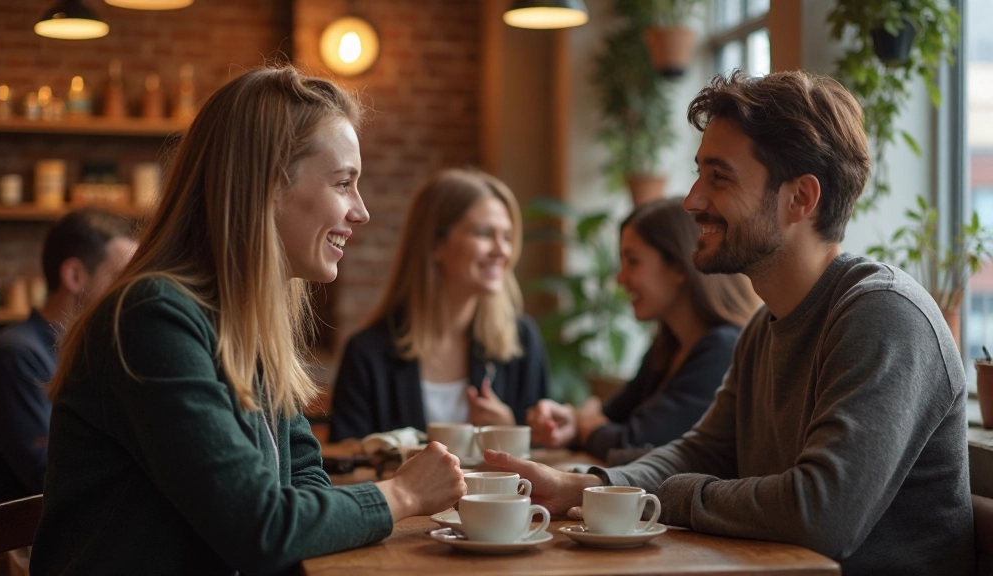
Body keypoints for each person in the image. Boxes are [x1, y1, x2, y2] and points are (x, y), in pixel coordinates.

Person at [483, 70, 974, 576]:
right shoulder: (765, 327)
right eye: (700, 174)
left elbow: (821, 512)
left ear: (801, 199)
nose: (693, 200)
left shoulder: (885, 316)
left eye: (719, 177)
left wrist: (666, 498)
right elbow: (706, 451)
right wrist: (590, 487)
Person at [30, 66, 466, 576]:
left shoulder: (244, 326)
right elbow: (261, 528)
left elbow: (303, 481)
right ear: (266, 186)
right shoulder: (151, 320)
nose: (361, 211)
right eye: (344, 183)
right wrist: (404, 492)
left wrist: (325, 515)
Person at [527, 198, 760, 463]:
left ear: (679, 267)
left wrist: (587, 427)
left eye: (633, 261)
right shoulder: (668, 345)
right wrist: (572, 418)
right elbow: (613, 414)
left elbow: (636, 445)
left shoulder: (723, 348)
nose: (620, 278)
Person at [329, 168, 549, 442]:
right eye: (484, 234)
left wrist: (508, 431)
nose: (502, 250)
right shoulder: (367, 353)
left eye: (506, 237)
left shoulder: (522, 341)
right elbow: (343, 464)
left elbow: (543, 454)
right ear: (435, 244)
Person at [0, 208, 136, 510]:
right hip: (24, 549)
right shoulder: (15, 355)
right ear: (74, 276)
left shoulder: (86, 355)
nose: (130, 292)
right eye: (120, 278)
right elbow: (52, 477)